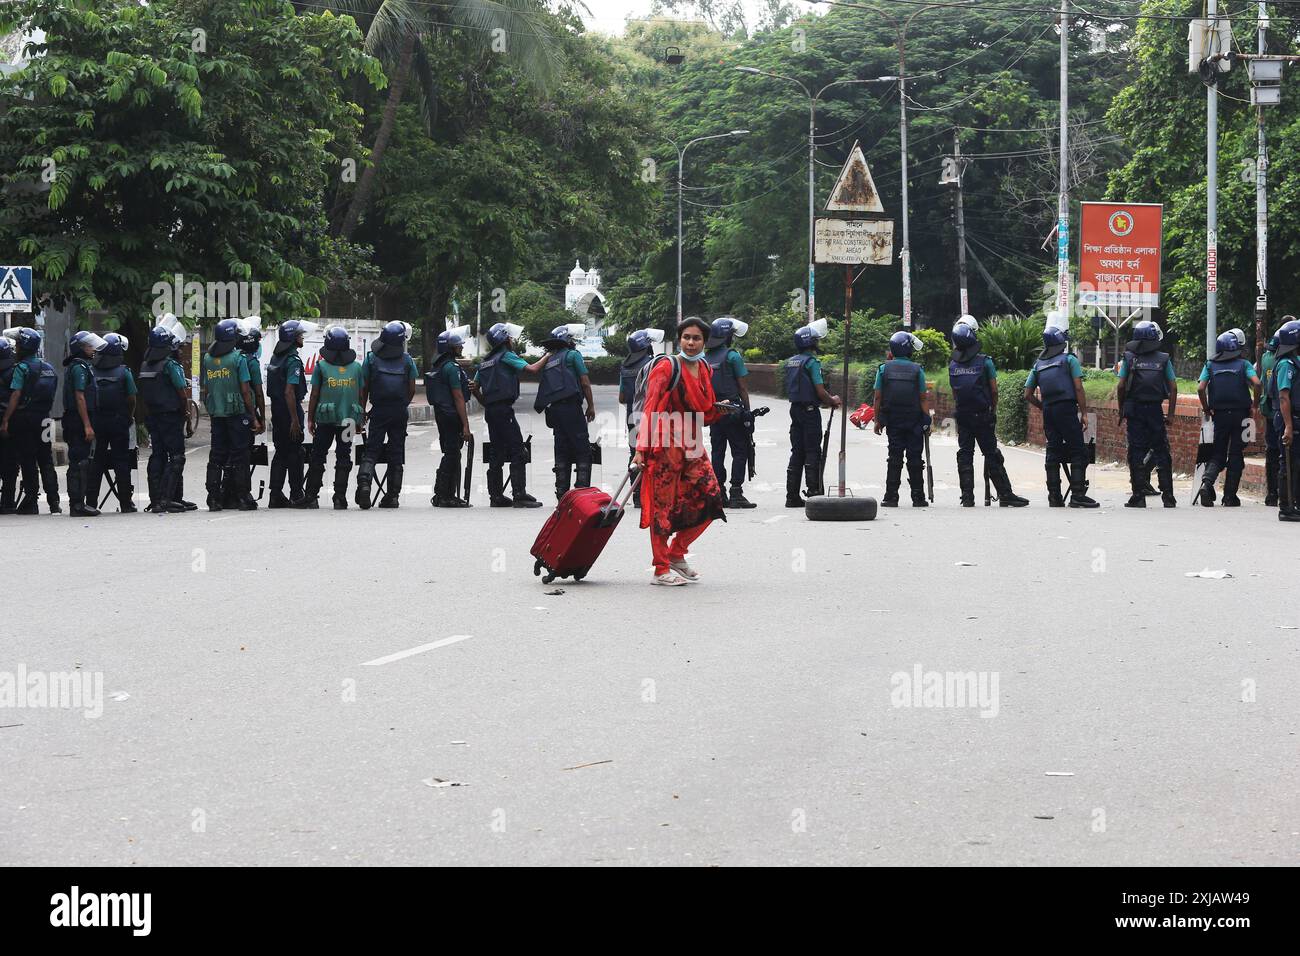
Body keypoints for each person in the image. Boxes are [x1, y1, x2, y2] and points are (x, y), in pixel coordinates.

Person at [632, 317, 736, 586]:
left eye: (696, 338)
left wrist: (719, 409)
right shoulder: (667, 367)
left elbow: (702, 409)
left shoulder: (703, 367)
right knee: (662, 507)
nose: (691, 343)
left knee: (711, 497)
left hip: (691, 443)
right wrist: (641, 449)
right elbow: (651, 408)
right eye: (686, 337)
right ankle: (660, 568)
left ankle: (676, 553)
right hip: (664, 445)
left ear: (705, 341)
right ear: (679, 339)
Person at [948, 318, 1028, 507]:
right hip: (982, 415)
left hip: (963, 415)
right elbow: (994, 390)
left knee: (965, 454)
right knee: (991, 454)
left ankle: (967, 497)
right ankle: (1005, 494)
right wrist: (992, 410)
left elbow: (954, 392)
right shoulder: (985, 362)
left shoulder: (952, 365)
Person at [470, 322, 544, 508]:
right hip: (504, 411)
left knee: (496, 452)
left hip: (491, 412)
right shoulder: (506, 356)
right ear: (505, 340)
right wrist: (549, 354)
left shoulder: (484, 363)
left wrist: (486, 402)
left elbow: (475, 388)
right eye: (510, 337)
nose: (512, 340)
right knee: (518, 451)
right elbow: (533, 369)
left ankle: (495, 496)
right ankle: (519, 495)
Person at [1024, 325, 1098, 508]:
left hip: (1049, 412)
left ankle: (1054, 497)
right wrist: (1084, 413)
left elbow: (1027, 394)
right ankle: (1078, 495)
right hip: (1066, 409)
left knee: (1053, 452)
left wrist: (1043, 407)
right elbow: (1078, 387)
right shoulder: (1069, 360)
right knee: (1078, 451)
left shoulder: (1038, 365)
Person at [295, 326, 362, 509]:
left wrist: (310, 419)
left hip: (325, 421)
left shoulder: (321, 366)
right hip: (348, 421)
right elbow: (361, 394)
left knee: (318, 456)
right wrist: (360, 419)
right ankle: (340, 497)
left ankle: (311, 496)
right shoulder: (356, 368)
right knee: (344, 456)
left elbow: (314, 394)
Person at [1116, 320, 1178, 508]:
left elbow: (1120, 385)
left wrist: (1121, 410)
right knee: (1161, 450)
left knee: (1136, 451)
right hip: (1155, 410)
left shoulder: (1129, 358)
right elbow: (1173, 387)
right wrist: (1171, 414)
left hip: (1134, 409)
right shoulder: (1163, 358)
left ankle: (1138, 496)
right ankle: (1168, 496)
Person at [356, 321, 418, 509]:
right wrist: (401, 405)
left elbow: (363, 389)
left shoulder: (371, 359)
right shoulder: (407, 360)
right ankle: (392, 496)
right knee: (396, 452)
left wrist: (362, 412)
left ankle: (365, 484)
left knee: (372, 450)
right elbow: (412, 389)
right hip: (399, 411)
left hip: (379, 410)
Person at [201, 318, 261, 511]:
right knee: (240, 455)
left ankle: (213, 498)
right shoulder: (239, 359)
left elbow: (206, 390)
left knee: (216, 456)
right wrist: (253, 416)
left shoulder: (208, 359)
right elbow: (245, 391)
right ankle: (243, 497)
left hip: (217, 414)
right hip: (237, 414)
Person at [1196, 330, 1260, 507]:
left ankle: (1207, 483)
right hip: (1241, 415)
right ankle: (1230, 497)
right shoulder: (1244, 364)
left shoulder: (1210, 365)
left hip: (1220, 415)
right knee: (1236, 452)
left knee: (1218, 452)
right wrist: (1254, 406)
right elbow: (1257, 383)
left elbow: (1201, 389)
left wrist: (1207, 408)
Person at [0, 327, 60, 514]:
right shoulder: (50, 369)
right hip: (45, 419)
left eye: (18, 344)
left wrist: (6, 419)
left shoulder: (21, 369)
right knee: (46, 459)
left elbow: (16, 394)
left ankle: (31, 501)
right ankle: (54, 502)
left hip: (24, 419)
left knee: (28, 459)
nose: (16, 347)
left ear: (23, 347)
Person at [534, 323, 596, 500]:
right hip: (572, 409)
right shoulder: (573, 355)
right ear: (567, 340)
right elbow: (584, 382)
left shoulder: (549, 361)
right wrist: (591, 406)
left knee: (561, 450)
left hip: (555, 411)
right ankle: (582, 492)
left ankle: (562, 494)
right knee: (582, 449)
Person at [783, 319, 840, 506]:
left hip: (795, 410)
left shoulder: (791, 362)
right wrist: (832, 400)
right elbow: (820, 390)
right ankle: (814, 492)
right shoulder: (812, 363)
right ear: (810, 343)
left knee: (797, 451)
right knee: (812, 450)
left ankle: (791, 496)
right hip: (809, 412)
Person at [137, 317, 191, 514]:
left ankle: (158, 499)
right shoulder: (170, 365)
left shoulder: (145, 365)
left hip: (153, 416)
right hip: (170, 416)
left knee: (158, 455)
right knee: (176, 457)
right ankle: (168, 499)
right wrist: (186, 413)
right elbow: (181, 392)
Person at [873, 331, 929, 508]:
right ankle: (918, 497)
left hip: (893, 420)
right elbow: (923, 398)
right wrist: (928, 420)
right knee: (915, 457)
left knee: (894, 456)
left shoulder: (883, 369)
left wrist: (877, 420)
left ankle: (890, 497)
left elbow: (877, 397)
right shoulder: (917, 370)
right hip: (914, 421)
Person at [704, 317, 755, 508]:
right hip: (733, 410)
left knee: (717, 452)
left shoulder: (704, 358)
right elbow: (742, 388)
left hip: (714, 411)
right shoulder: (733, 356)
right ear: (727, 337)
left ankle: (720, 494)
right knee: (740, 451)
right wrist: (747, 413)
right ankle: (736, 493)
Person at [84, 332, 138, 513]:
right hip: (119, 421)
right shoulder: (124, 372)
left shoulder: (91, 370)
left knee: (97, 461)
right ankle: (125, 502)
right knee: (121, 462)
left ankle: (91, 502)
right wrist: (129, 416)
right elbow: (131, 398)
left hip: (97, 421)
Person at [266, 320, 314, 508]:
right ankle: (296, 494)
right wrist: (295, 420)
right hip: (289, 411)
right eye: (300, 334)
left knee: (281, 452)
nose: (302, 336)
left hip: (277, 410)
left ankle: (275, 494)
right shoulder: (292, 360)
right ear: (293, 339)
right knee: (295, 452)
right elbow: (289, 392)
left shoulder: (275, 358)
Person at [428, 325, 473, 508]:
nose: (461, 347)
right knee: (452, 454)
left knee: (450, 453)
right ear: (449, 348)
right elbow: (458, 397)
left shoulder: (440, 366)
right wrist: (465, 426)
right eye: (458, 345)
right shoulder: (451, 367)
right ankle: (444, 495)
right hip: (451, 416)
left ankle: (443, 494)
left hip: (443, 415)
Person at [62, 330, 106, 517]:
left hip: (79, 419)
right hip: (78, 420)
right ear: (79, 349)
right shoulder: (79, 368)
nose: (92, 349)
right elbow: (80, 397)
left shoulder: (81, 366)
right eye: (89, 346)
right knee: (79, 462)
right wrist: (87, 425)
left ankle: (78, 503)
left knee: (81, 461)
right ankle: (77, 504)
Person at [1270, 319, 1300, 521]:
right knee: (1288, 462)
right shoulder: (1285, 365)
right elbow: (1283, 396)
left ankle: (1294, 503)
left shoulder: (1293, 362)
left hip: (1294, 417)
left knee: (1296, 462)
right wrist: (1288, 426)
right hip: (1288, 418)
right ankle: (1286, 507)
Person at [1258, 328, 1282, 507]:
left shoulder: (1266, 357)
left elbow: (1259, 383)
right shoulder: (1288, 361)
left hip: (1269, 412)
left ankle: (1272, 493)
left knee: (1272, 452)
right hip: (1286, 412)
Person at [0, 332, 18, 513]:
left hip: (8, 420)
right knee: (9, 464)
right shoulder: (14, 371)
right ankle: (7, 501)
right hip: (9, 421)